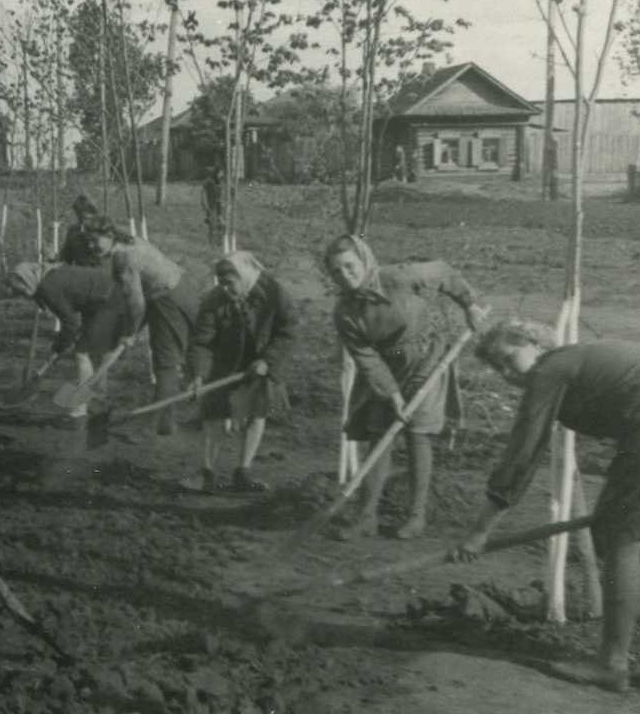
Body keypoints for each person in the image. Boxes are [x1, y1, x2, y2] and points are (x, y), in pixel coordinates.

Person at [457, 323, 640, 696]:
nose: (506, 372)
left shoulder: (550, 369)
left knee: (621, 543)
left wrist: (480, 531)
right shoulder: (581, 360)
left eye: (508, 358)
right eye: (496, 368)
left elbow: (523, 453)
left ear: (532, 342)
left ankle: (611, 663)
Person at [325, 234, 488, 539]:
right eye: (336, 272)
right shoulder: (345, 312)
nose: (345, 276)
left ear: (364, 261)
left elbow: (443, 272)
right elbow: (367, 359)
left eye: (350, 267)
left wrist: (469, 304)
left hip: (427, 358)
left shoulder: (400, 277)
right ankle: (365, 517)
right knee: (379, 435)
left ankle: (416, 517)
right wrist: (391, 394)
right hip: (387, 368)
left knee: (417, 434)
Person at [181, 252, 297, 493]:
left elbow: (288, 331)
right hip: (224, 364)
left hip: (261, 363)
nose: (225, 287)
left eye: (229, 282)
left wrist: (268, 360)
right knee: (214, 415)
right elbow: (201, 342)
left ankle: (243, 472)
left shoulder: (275, 293)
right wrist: (199, 375)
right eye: (221, 282)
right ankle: (207, 473)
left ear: (244, 276)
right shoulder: (214, 300)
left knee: (256, 414)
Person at [86, 217, 196, 435]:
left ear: (109, 237)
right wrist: (128, 329)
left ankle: (161, 424)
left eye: (94, 240)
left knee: (165, 362)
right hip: (171, 289)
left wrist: (131, 332)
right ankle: (97, 401)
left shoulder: (123, 258)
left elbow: (136, 304)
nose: (91, 246)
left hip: (168, 298)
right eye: (88, 241)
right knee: (176, 355)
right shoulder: (126, 239)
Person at [8, 260, 121, 414]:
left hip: (108, 299)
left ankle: (79, 410)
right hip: (100, 298)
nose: (23, 294)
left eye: (21, 289)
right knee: (93, 352)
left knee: (82, 353)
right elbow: (73, 310)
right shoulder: (48, 276)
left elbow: (70, 323)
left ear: (27, 278)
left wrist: (60, 346)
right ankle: (97, 399)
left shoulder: (48, 287)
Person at [202, 166, 224, 246]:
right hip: (212, 207)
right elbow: (203, 194)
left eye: (222, 173)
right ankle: (211, 243)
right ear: (216, 173)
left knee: (221, 225)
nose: (222, 175)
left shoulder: (219, 182)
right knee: (212, 226)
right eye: (220, 173)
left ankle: (219, 242)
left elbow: (221, 195)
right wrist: (206, 207)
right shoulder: (209, 182)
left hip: (219, 207)